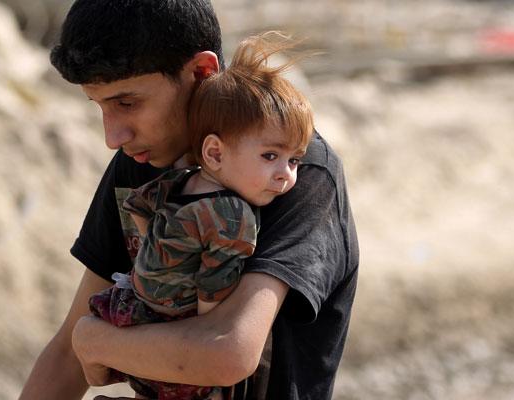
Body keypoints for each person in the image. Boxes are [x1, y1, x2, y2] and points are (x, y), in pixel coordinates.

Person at [19, 1, 359, 399]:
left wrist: (96, 342)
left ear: (201, 71)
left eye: (127, 103)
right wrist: (85, 341)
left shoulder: (289, 175)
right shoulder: (143, 160)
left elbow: (228, 351)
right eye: (101, 106)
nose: (113, 136)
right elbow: (65, 356)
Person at [87, 32, 314, 400]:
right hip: (176, 335)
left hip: (128, 308)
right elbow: (214, 297)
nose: (286, 175)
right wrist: (198, 323)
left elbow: (139, 206)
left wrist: (157, 255)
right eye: (270, 157)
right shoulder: (234, 214)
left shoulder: (179, 179)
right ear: (215, 153)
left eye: (294, 161)